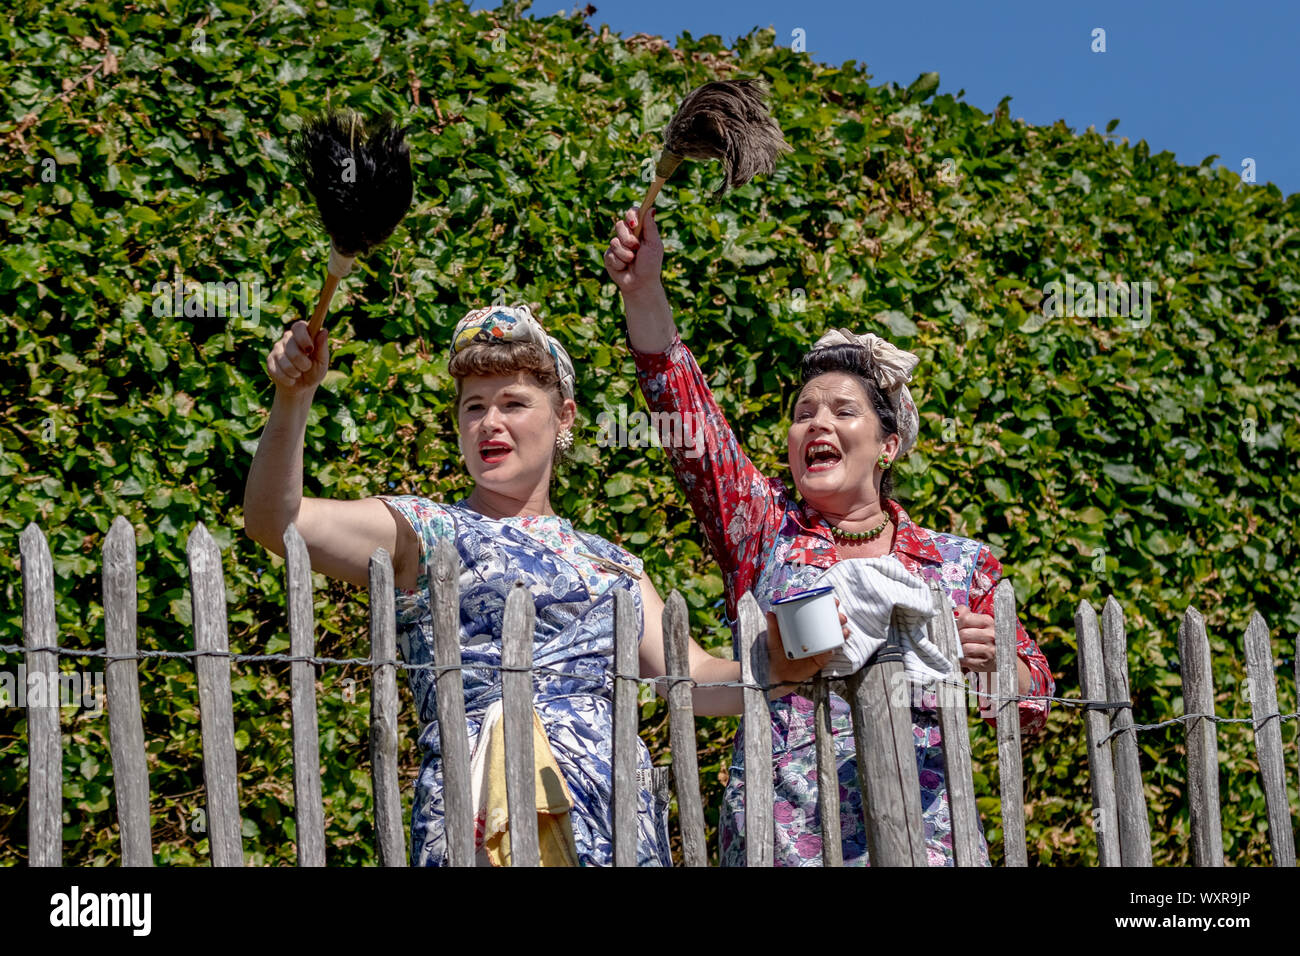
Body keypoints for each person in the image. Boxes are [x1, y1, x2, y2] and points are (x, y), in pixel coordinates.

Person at [242, 303, 837, 866]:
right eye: (473, 407)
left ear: (564, 418)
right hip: (479, 817)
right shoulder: (426, 533)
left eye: (513, 403)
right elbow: (278, 521)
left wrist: (782, 663)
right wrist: (293, 400)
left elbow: (693, 680)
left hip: (613, 823)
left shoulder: (613, 566)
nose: (490, 423)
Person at [604, 208, 1056, 866]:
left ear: (889, 443)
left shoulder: (959, 567)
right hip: (779, 845)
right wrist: (643, 290)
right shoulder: (760, 528)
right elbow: (683, 409)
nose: (818, 421)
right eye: (803, 412)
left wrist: (995, 667)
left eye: (844, 411)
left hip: (929, 849)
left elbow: (1033, 701)